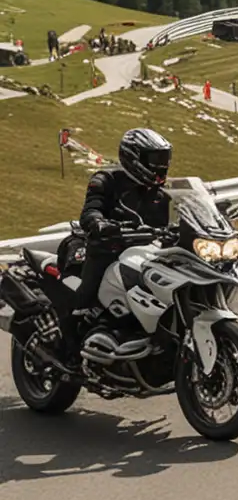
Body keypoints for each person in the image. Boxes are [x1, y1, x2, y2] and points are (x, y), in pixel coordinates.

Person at [68, 128, 173, 354]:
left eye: (164, 159)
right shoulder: (105, 180)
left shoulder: (161, 194)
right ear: (134, 157)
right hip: (108, 248)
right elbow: (90, 211)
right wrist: (100, 223)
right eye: (155, 159)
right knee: (89, 288)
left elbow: (175, 219)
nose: (162, 165)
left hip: (146, 253)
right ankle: (79, 326)